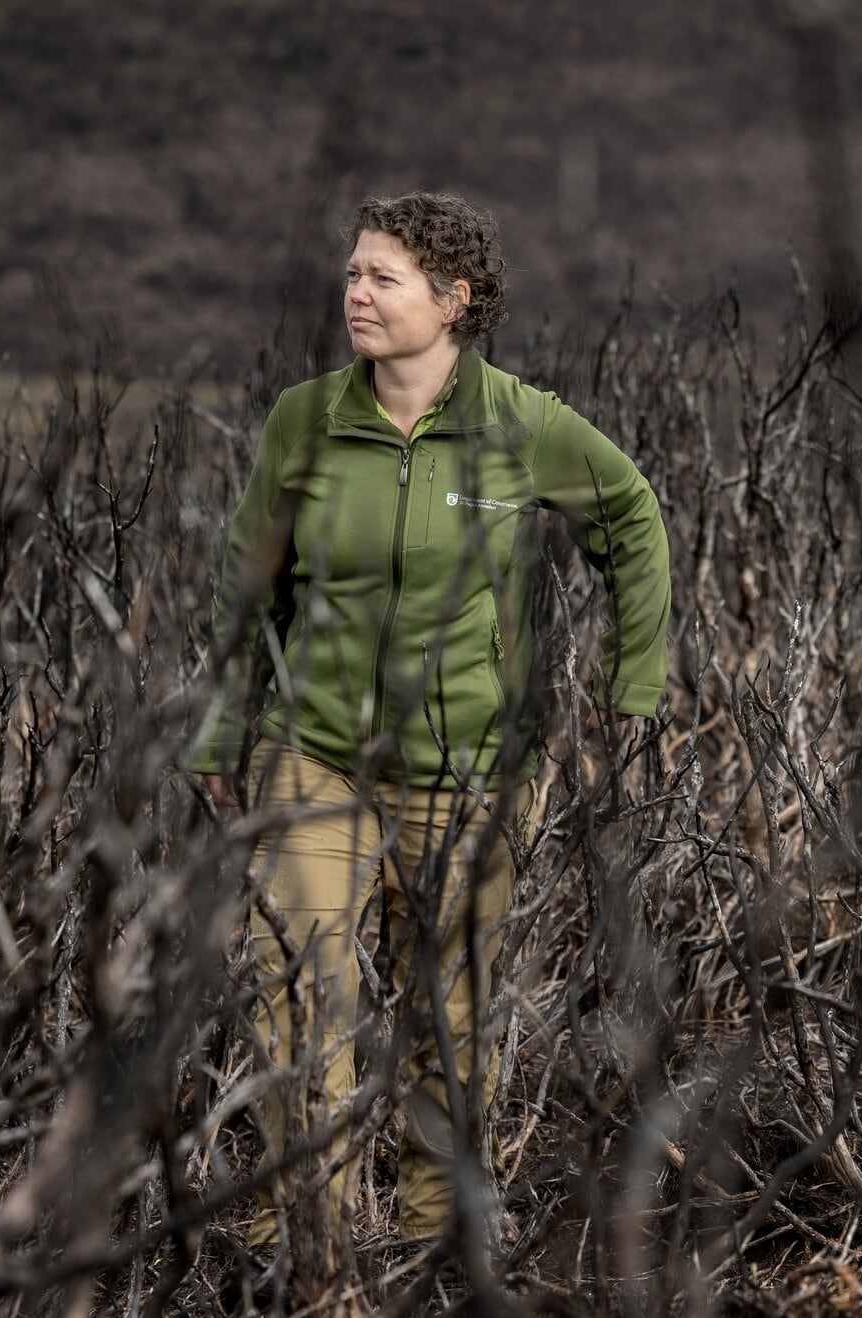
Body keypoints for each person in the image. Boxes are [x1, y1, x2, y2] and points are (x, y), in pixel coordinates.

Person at [195, 191, 671, 1283]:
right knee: (295, 994)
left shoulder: (522, 425)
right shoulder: (304, 421)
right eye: (351, 274)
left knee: (449, 1013)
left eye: (383, 278)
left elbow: (631, 517)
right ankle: (298, 1245)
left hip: (469, 768)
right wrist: (223, 730)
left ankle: (427, 1240)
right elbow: (247, 584)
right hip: (312, 749)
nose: (355, 295)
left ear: (454, 300)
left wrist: (628, 678)